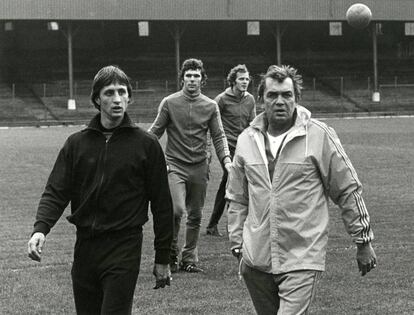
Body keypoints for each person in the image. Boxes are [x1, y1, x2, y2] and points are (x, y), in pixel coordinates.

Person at [226, 65, 377, 315]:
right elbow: (237, 198)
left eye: (287, 95)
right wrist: (238, 244)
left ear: (297, 98)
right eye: (273, 95)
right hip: (256, 259)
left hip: (301, 256)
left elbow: (347, 188)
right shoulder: (245, 140)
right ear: (262, 99)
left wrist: (363, 240)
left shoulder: (319, 136)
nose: (280, 101)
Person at [27, 65, 173, 315]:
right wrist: (41, 229)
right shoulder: (76, 144)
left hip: (124, 246)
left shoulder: (146, 145)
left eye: (122, 92)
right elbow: (56, 190)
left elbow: (162, 205)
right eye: (109, 93)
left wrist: (163, 257)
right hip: (85, 248)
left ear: (129, 96)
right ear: (97, 99)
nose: (117, 99)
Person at [148, 58, 231, 273]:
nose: (192, 79)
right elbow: (154, 132)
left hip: (200, 166)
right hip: (174, 164)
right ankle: (171, 254)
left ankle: (189, 258)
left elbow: (219, 136)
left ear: (202, 80)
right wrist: (137, 149)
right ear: (182, 78)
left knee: (195, 214)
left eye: (196, 76)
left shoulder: (211, 106)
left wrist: (227, 162)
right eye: (188, 75)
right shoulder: (169, 102)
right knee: (176, 210)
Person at [206, 64, 256, 237]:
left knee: (228, 184)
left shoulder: (250, 99)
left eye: (247, 79)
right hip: (227, 148)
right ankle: (230, 225)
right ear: (233, 81)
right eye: (241, 79)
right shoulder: (221, 99)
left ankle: (214, 225)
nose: (245, 82)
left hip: (244, 147)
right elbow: (210, 122)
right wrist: (209, 148)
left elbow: (253, 124)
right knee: (232, 181)